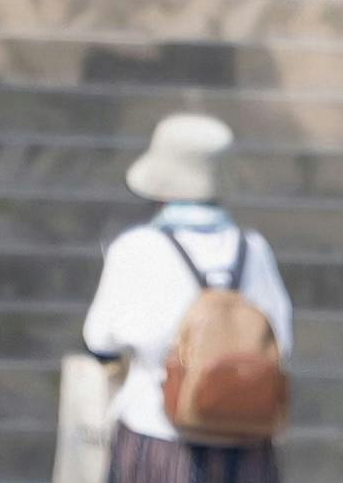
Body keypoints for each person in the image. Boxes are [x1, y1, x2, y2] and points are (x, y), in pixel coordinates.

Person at [64, 111, 290, 483]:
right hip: (246, 442)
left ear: (162, 185)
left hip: (158, 435)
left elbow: (99, 337)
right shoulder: (254, 249)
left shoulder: (137, 247)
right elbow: (282, 340)